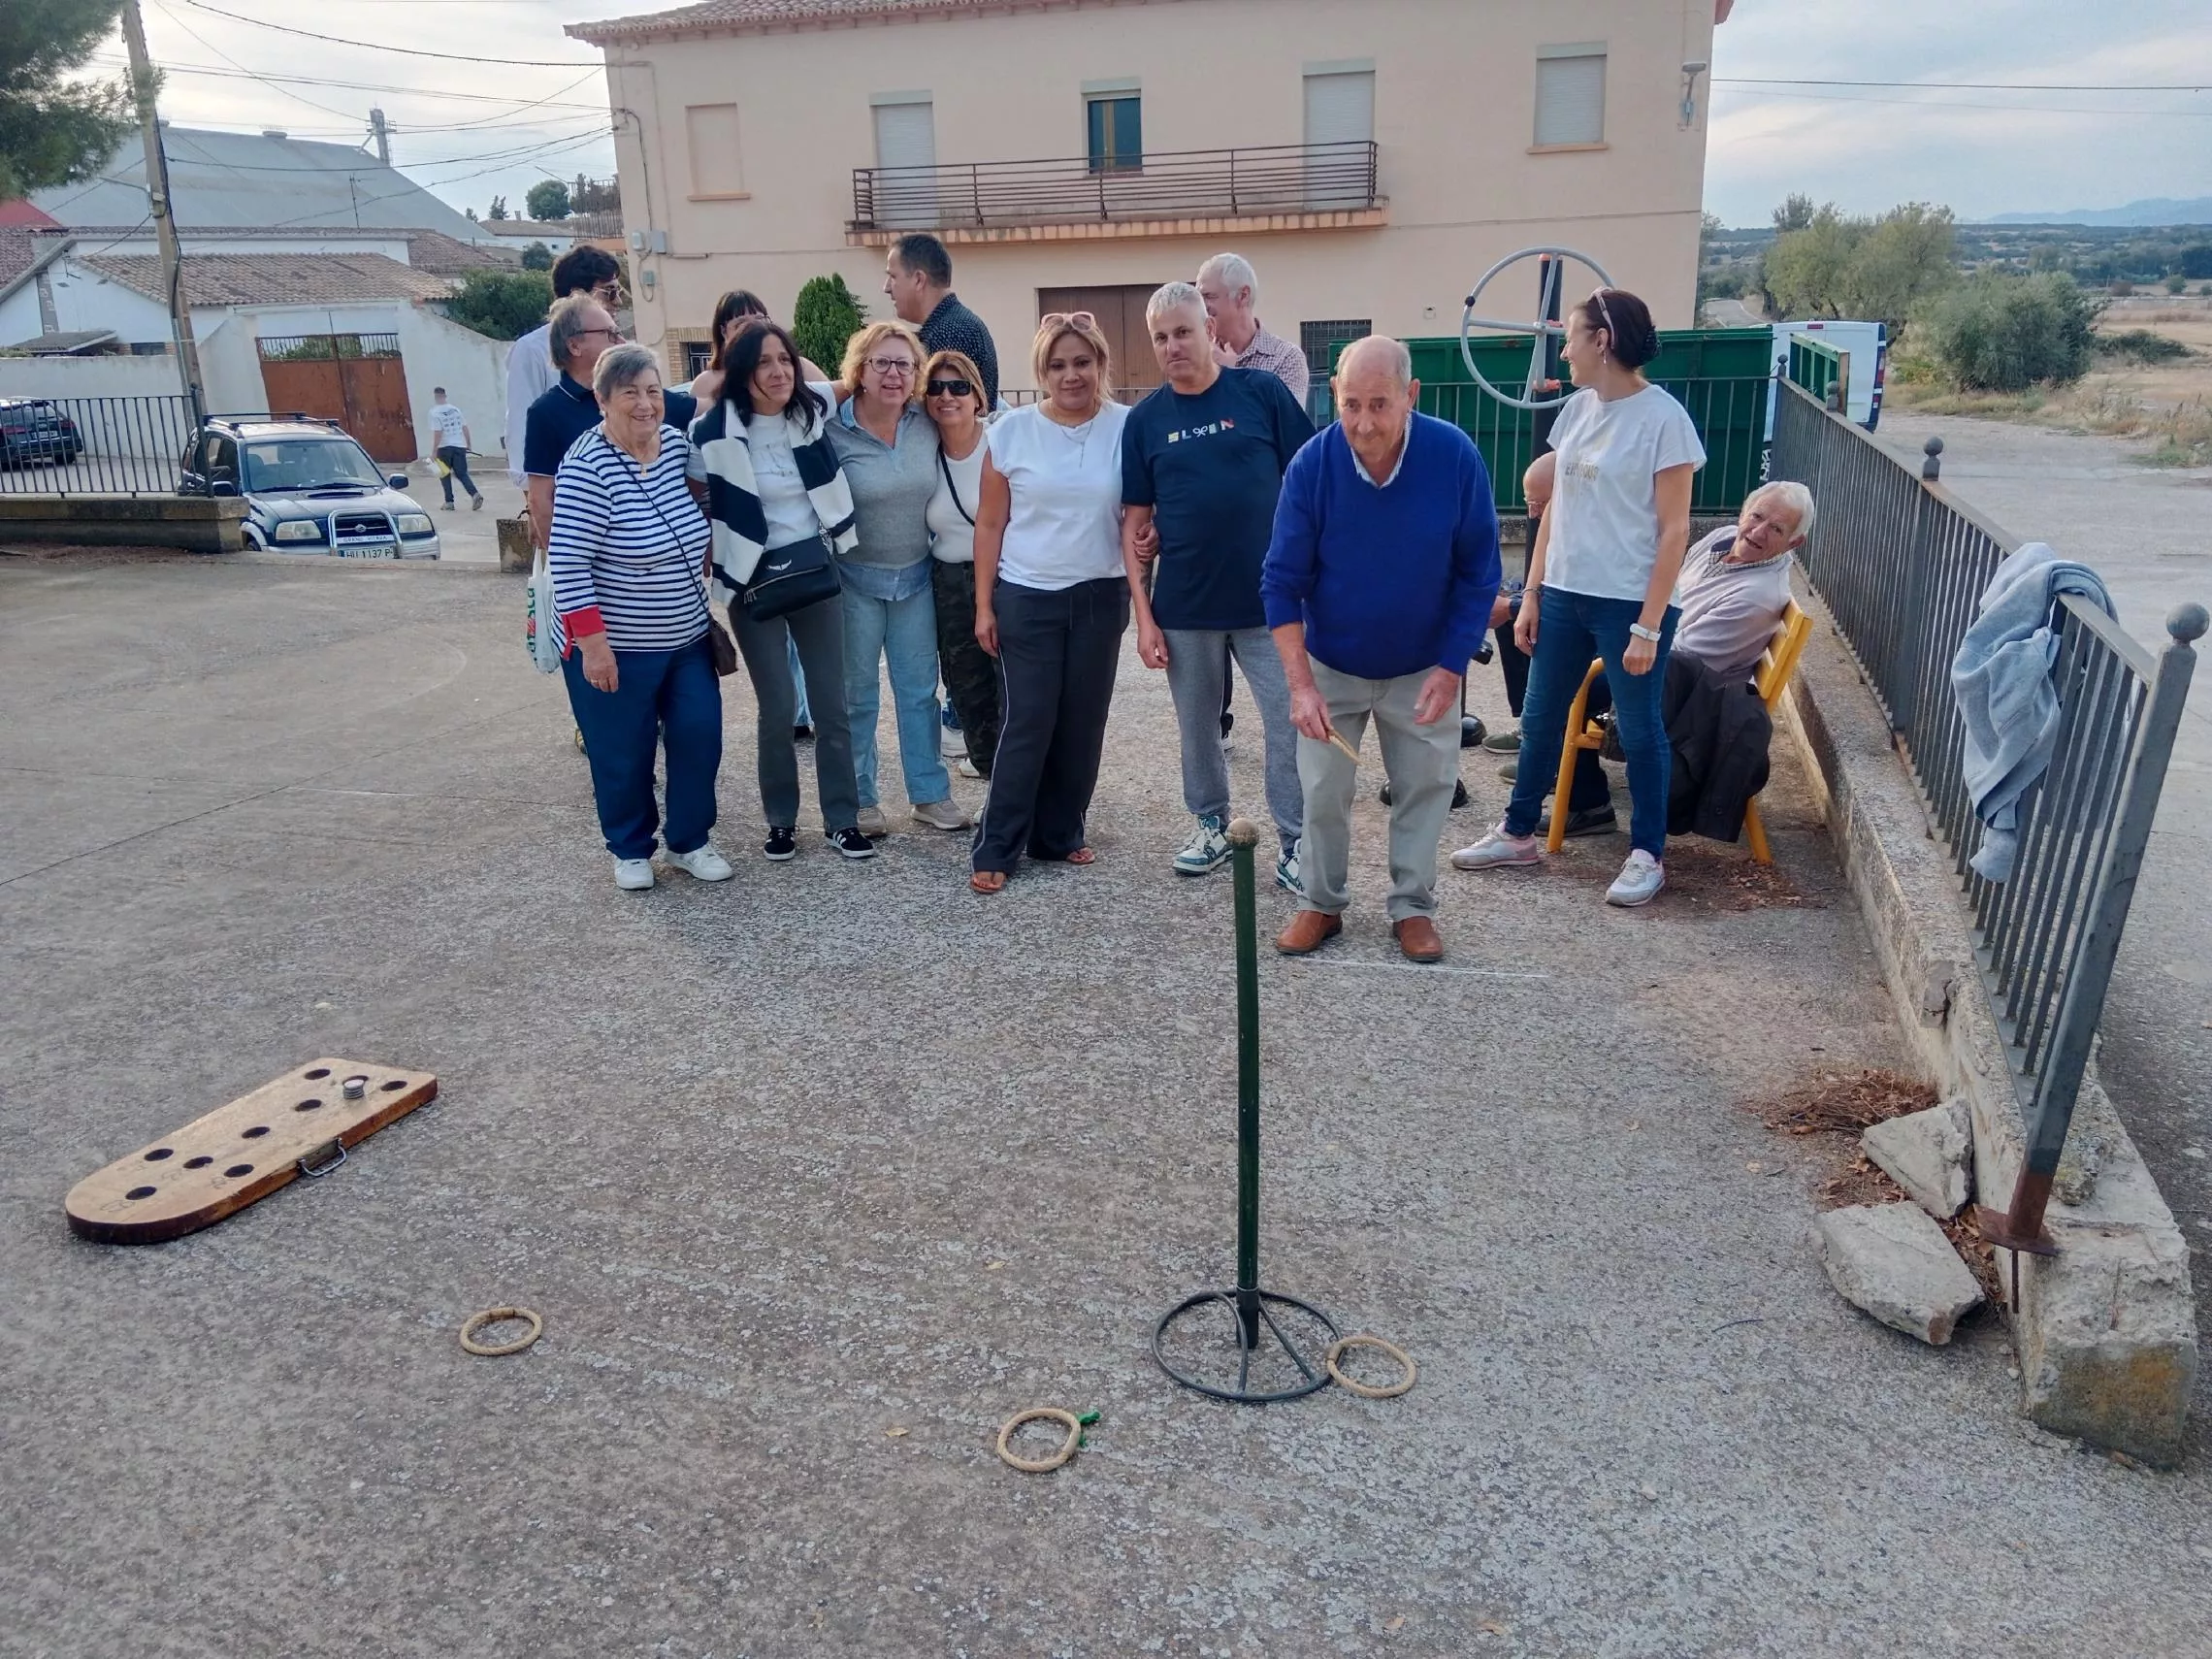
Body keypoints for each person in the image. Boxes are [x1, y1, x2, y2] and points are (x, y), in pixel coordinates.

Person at [1452, 287, 1706, 908]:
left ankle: (1646, 855)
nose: (1563, 351)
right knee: (1540, 718)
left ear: (1603, 340)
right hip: (1565, 593)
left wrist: (1649, 625)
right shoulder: (1575, 411)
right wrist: (1532, 593)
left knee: (1639, 730)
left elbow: (1675, 530)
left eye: (1570, 337)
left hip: (1631, 603)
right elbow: (1555, 512)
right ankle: (1518, 833)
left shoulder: (1665, 420)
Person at [1260, 335, 1500, 962]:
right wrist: (1300, 685)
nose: (1364, 424)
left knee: (1425, 786)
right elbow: (1280, 582)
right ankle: (1321, 902)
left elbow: (1479, 573)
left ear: (1410, 395)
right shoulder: (1312, 465)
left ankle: (1413, 908)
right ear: (1333, 396)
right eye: (1350, 405)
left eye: (1379, 405)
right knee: (1321, 790)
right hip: (1332, 662)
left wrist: (1452, 667)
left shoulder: (1454, 456)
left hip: (1424, 664)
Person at [1122, 281, 1316, 891]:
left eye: (1182, 331)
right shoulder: (1145, 421)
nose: (1172, 346)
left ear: (1209, 329)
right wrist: (1144, 618)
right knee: (1198, 728)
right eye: (1160, 338)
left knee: (1288, 723)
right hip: (1186, 608)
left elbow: (1310, 479)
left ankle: (1297, 843)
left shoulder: (1261, 392)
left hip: (1270, 605)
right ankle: (1210, 824)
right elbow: (1133, 523)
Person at [689, 319, 877, 863]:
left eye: (784, 360)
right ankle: (781, 822)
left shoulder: (810, 409)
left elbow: (853, 379)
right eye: (763, 363)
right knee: (776, 708)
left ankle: (842, 820)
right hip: (751, 579)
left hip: (815, 571)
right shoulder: (709, 431)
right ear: (740, 372)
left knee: (831, 704)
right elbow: (696, 495)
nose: (777, 372)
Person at [547, 343, 730, 892]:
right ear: (602, 400)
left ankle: (689, 841)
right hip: (616, 644)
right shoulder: (587, 466)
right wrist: (594, 647)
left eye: (653, 391)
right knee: (623, 751)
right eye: (630, 393)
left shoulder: (676, 447)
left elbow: (710, 496)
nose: (646, 404)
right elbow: (568, 563)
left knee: (699, 734)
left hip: (685, 636)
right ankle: (629, 848)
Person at [968, 312, 1132, 894]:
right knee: (1028, 721)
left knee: (1083, 723)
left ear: (1100, 364)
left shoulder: (1127, 427)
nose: (1071, 375)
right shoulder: (1010, 433)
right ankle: (997, 843)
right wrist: (983, 605)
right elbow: (990, 524)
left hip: (1100, 595)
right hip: (1027, 596)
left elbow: (1142, 510)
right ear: (1042, 371)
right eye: (1058, 365)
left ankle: (1059, 833)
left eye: (1082, 362)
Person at [827, 320, 965, 837]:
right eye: (881, 363)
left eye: (904, 365)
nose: (893, 374)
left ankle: (929, 794)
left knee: (919, 693)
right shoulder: (832, 428)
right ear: (859, 371)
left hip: (916, 579)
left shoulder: (924, 421)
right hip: (853, 580)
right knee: (857, 695)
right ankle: (861, 800)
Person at [684, 289, 825, 740]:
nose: (747, 324)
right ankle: (790, 712)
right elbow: (699, 476)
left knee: (807, 649)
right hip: (745, 549)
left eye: (757, 316)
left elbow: (825, 392)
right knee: (771, 664)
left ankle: (802, 712)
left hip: (802, 547)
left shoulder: (792, 372)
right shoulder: (708, 385)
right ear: (721, 331)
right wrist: (710, 536)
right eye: (737, 320)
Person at [524, 297, 699, 554]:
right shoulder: (546, 412)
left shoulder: (647, 400)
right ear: (574, 345)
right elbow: (541, 500)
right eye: (610, 333)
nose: (621, 340)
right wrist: (565, 560)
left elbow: (704, 410)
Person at [921, 347, 1000, 779]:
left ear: (978, 397)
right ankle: (990, 779)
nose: (946, 396)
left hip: (1004, 579)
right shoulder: (922, 451)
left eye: (958, 386)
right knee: (968, 694)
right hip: (948, 583)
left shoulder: (1000, 442)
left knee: (1015, 691)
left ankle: (1026, 792)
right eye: (935, 388)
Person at [505, 245, 622, 489]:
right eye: (609, 292)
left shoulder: (616, 345)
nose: (618, 301)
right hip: (564, 487)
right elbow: (521, 425)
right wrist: (535, 496)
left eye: (618, 291)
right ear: (578, 294)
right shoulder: (532, 349)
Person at [884, 233, 1000, 409]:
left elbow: (942, 415)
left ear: (918, 280)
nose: (886, 287)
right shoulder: (953, 324)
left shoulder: (951, 333)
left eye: (893, 277)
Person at [1196, 252, 1309, 407]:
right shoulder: (1199, 357)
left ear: (1243, 296)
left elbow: (1284, 420)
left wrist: (1230, 376)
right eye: (1198, 299)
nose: (1201, 308)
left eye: (1209, 297)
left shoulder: (1286, 358)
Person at [427, 386, 483, 511]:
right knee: (462, 473)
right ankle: (475, 494)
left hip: (443, 448)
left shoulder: (434, 412)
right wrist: (468, 444)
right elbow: (465, 427)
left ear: (435, 397)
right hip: (459, 446)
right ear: (445, 396)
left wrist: (434, 451)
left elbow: (438, 432)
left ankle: (449, 502)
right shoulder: (456, 410)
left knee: (443, 473)